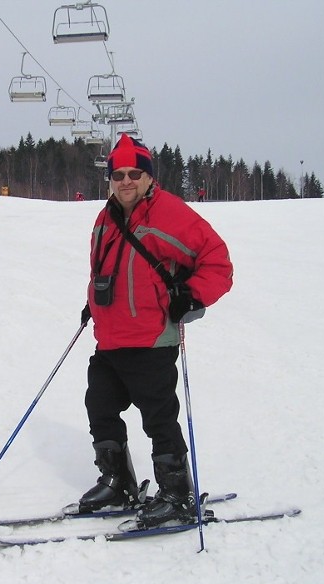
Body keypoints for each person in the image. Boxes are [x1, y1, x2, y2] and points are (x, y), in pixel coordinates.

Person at [78, 133, 233, 527]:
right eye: (118, 175)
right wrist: (94, 303)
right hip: (110, 338)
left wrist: (193, 296)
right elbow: (105, 269)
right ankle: (118, 482)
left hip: (151, 338)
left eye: (134, 173)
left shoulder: (170, 213)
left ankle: (176, 494)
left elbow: (217, 261)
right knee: (99, 405)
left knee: (159, 417)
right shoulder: (106, 216)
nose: (126, 181)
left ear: (148, 177)